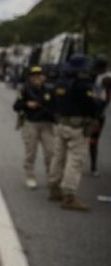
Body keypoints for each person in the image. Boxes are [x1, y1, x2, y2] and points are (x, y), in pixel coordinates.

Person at [47, 55, 97, 211]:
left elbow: (52, 103)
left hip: (62, 124)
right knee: (75, 160)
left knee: (58, 156)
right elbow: (92, 106)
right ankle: (69, 196)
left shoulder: (59, 83)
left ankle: (54, 188)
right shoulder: (82, 85)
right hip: (77, 127)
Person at [13, 66, 55, 189]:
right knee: (31, 151)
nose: (37, 78)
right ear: (30, 78)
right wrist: (27, 104)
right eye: (34, 76)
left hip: (47, 124)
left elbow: (56, 106)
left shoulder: (48, 90)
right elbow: (16, 106)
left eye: (39, 75)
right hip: (31, 123)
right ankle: (30, 176)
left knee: (51, 152)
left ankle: (51, 177)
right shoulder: (25, 90)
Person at [89, 57, 111, 177]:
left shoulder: (107, 79)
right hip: (90, 111)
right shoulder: (95, 75)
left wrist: (97, 117)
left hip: (98, 113)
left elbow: (106, 99)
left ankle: (93, 167)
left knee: (93, 141)